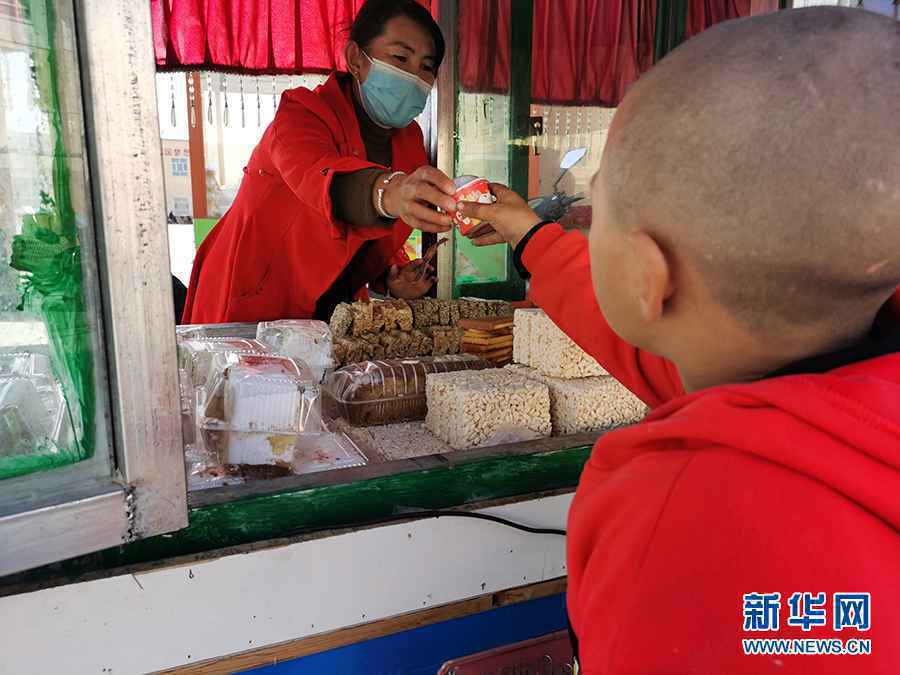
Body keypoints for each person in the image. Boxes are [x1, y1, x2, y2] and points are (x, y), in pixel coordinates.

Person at [461, 7, 900, 673]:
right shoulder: (824, 388)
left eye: (597, 206)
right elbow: (652, 345)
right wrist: (533, 238)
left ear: (649, 276)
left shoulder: (684, 527)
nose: (585, 223)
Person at [182, 0, 458, 324]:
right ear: (356, 59)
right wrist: (392, 191)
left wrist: (390, 276)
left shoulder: (409, 141)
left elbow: (369, 233)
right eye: (400, 58)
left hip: (332, 311)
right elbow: (323, 180)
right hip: (252, 299)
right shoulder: (302, 114)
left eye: (426, 67)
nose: (413, 76)